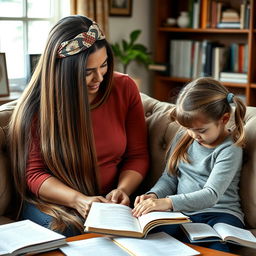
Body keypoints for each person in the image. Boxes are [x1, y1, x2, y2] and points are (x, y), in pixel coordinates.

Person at [9, 15, 149, 236]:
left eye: (104, 65)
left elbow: (138, 155)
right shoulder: (35, 106)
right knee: (71, 229)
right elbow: (34, 174)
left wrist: (122, 190)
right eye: (87, 72)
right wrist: (79, 200)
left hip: (108, 204)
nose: (99, 78)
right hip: (55, 203)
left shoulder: (124, 88)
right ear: (63, 71)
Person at [132, 77, 246, 252]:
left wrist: (167, 202)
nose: (194, 135)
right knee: (149, 239)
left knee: (217, 249)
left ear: (224, 119)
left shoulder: (230, 148)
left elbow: (211, 195)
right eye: (188, 129)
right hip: (183, 215)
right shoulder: (184, 138)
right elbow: (169, 178)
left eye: (201, 130)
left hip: (221, 215)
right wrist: (154, 195)